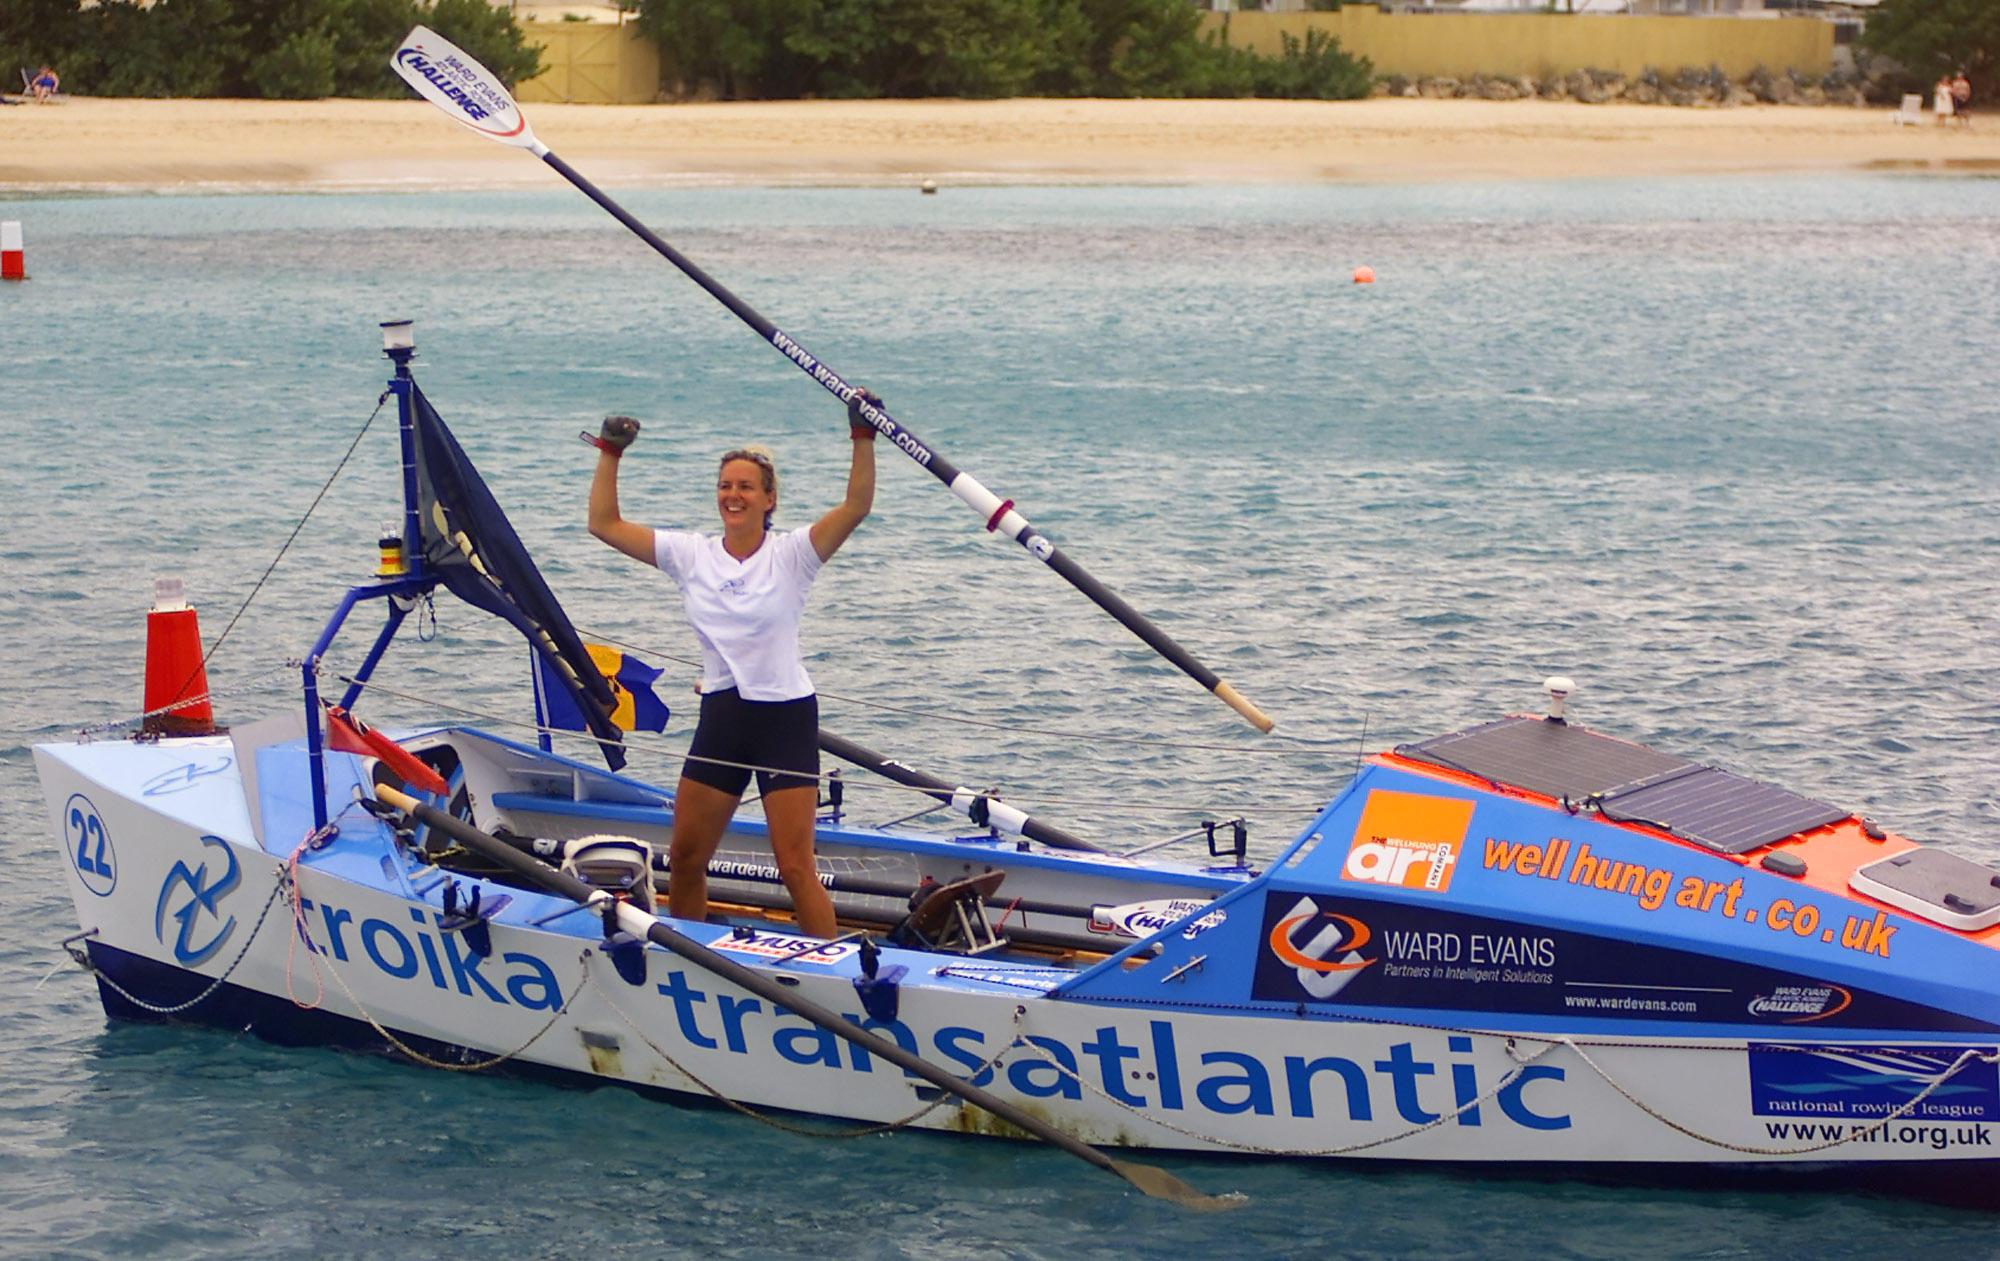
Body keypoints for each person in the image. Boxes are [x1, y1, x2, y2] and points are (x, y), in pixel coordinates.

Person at [585, 390, 879, 938]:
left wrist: (862, 435)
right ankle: (691, 956)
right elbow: (603, 523)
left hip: (785, 719)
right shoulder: (690, 554)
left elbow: (856, 506)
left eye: (746, 487)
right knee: (686, 858)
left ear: (769, 499)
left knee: (794, 866)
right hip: (723, 718)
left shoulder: (793, 555)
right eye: (725, 486)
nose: (733, 495)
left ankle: (834, 966)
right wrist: (610, 451)